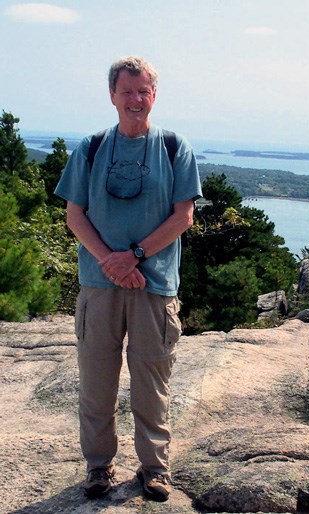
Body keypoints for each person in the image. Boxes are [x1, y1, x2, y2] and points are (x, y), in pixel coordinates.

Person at [55, 56, 202, 502]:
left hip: (154, 286)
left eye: (144, 91)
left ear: (154, 95)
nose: (136, 100)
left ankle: (154, 469)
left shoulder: (175, 147)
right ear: (112, 96)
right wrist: (110, 261)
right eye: (127, 92)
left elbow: (184, 217)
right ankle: (98, 468)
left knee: (152, 384)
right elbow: (74, 214)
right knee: (96, 382)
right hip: (100, 286)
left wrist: (134, 257)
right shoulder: (92, 147)